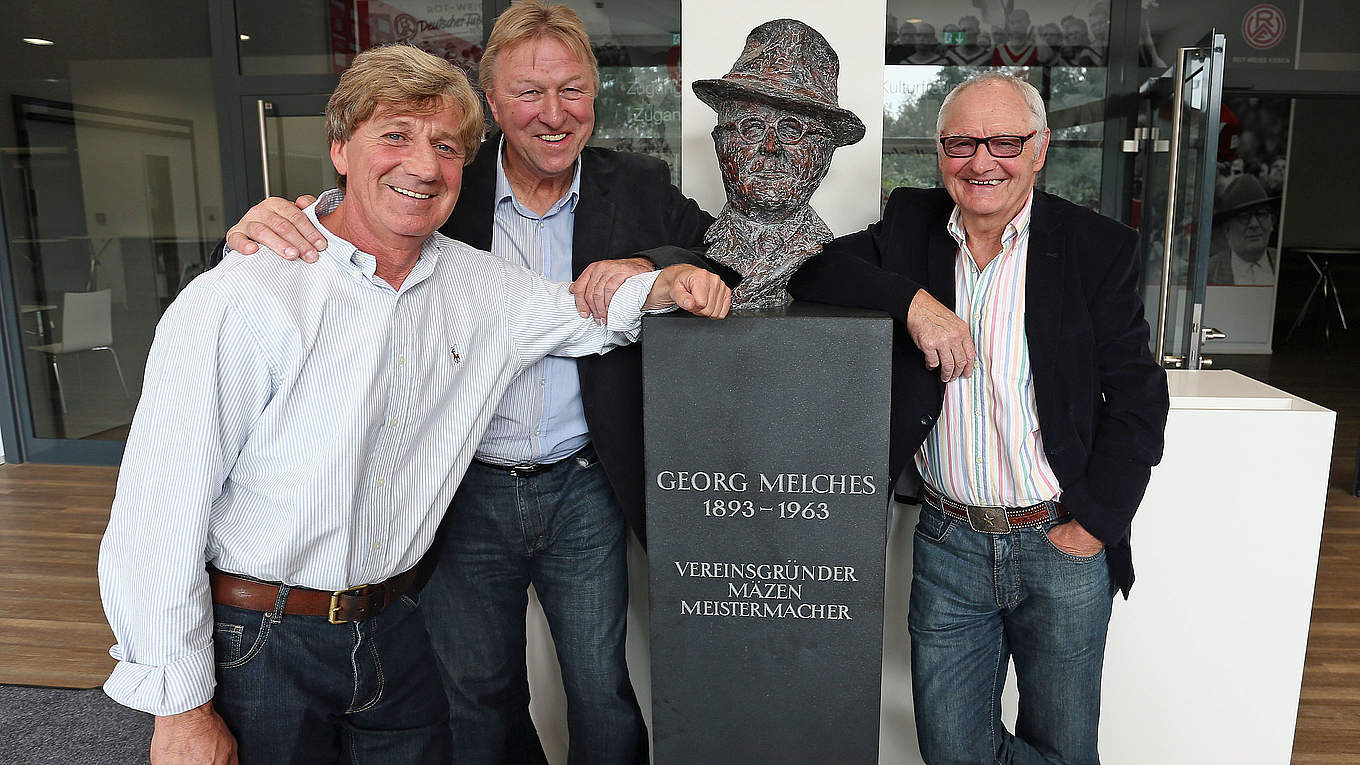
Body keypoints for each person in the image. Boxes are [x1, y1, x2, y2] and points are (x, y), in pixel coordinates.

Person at [98, 44, 729, 765]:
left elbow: (585, 313)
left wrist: (665, 280)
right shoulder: (244, 295)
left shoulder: (476, 282)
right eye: (395, 135)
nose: (424, 166)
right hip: (262, 640)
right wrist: (181, 709)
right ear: (340, 149)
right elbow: (158, 512)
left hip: (399, 629)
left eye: (446, 146)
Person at [789, 72, 1169, 764]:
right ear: (940, 151)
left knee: (1063, 745)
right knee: (952, 749)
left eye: (1005, 142)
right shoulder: (911, 224)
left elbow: (1139, 400)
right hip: (949, 543)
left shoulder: (1096, 247)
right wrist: (914, 303)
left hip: (1059, 540)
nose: (981, 161)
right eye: (961, 143)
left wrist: (1092, 527)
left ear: (1040, 148)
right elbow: (812, 272)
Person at [693, 18, 865, 309]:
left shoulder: (842, 262)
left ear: (825, 152)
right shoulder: (688, 247)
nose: (771, 147)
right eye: (751, 127)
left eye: (791, 129)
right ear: (720, 143)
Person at [1208, 173, 1277, 286]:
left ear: (1272, 222)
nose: (1254, 224)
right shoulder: (1207, 273)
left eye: (1261, 214)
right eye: (1243, 217)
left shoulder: (1287, 264)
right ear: (1226, 229)